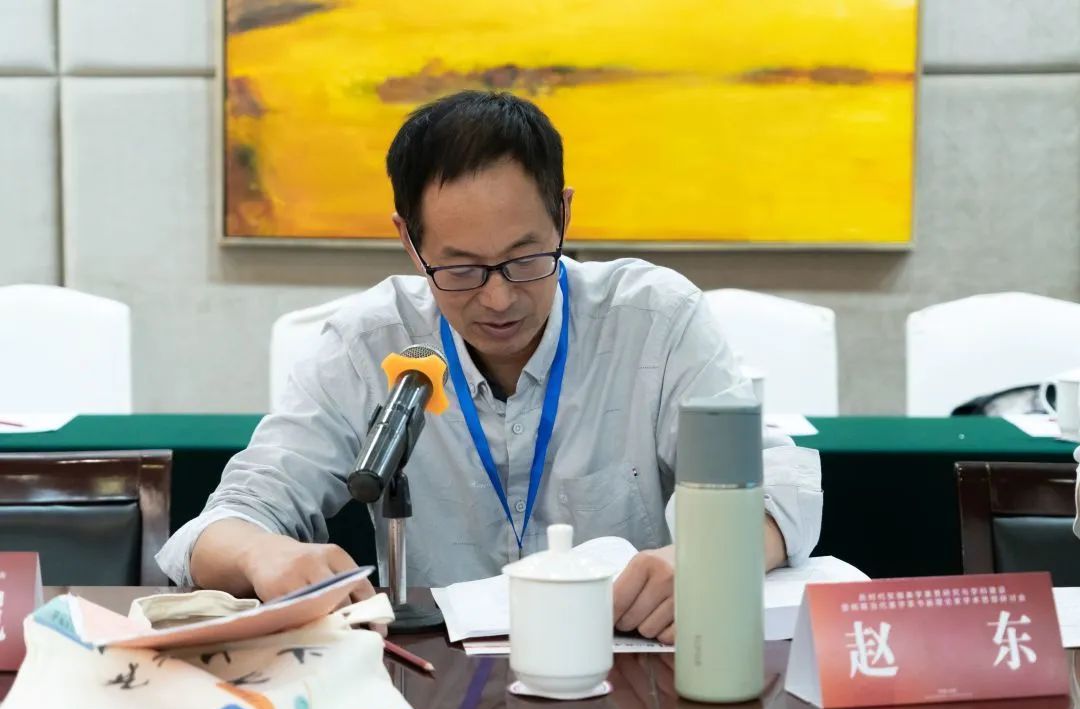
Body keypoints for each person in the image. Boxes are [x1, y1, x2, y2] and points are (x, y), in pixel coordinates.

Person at [158, 91, 823, 645]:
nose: (499, 298)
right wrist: (263, 553)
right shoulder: (368, 344)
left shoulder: (654, 320)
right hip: (436, 681)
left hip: (619, 672)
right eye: (461, 269)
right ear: (408, 240)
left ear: (564, 214)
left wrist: (711, 559)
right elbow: (223, 525)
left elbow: (779, 487)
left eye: (525, 260)